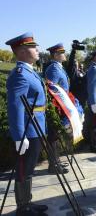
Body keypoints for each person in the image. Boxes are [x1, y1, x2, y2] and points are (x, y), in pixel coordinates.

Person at [6, 32, 48, 216]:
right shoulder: (20, 74)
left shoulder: (29, 71)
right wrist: (18, 136)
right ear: (22, 51)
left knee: (29, 168)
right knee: (24, 170)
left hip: (36, 125)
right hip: (28, 131)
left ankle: (27, 202)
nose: (37, 50)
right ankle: (22, 209)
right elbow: (15, 106)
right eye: (33, 47)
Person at [45, 43, 69, 174]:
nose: (64, 54)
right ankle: (53, 165)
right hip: (56, 107)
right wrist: (55, 107)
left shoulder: (58, 67)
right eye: (62, 52)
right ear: (55, 55)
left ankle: (56, 162)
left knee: (56, 135)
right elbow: (51, 89)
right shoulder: (54, 69)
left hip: (61, 105)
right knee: (53, 136)